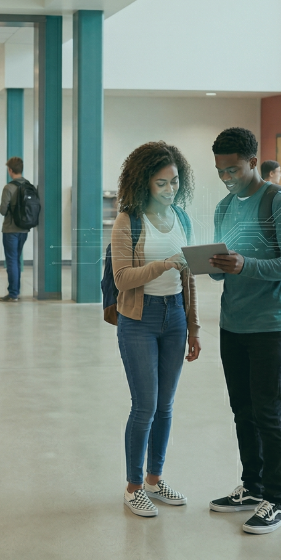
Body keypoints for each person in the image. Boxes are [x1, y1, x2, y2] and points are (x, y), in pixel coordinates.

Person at [208, 127, 281, 535]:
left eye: (233, 169)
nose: (227, 177)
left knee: (267, 412)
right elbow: (221, 272)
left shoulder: (277, 202)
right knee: (241, 410)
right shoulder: (223, 208)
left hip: (269, 324)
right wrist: (214, 267)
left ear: (252, 161)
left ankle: (277, 499)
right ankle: (251, 486)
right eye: (219, 170)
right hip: (232, 323)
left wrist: (246, 265)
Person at [110, 142, 201, 518]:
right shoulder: (127, 221)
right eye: (161, 183)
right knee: (144, 405)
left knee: (165, 406)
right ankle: (133, 488)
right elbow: (122, 278)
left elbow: (189, 275)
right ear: (144, 183)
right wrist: (164, 264)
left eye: (174, 182)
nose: (169, 190)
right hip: (139, 319)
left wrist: (193, 327)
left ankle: (154, 479)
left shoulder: (182, 218)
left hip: (175, 318)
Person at [0, 157, 30, 302]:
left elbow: (3, 210)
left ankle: (13, 293)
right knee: (17, 259)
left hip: (10, 229)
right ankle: (15, 291)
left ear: (10, 170)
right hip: (24, 229)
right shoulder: (29, 185)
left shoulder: (8, 187)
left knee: (11, 260)